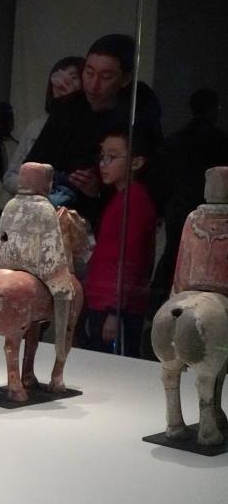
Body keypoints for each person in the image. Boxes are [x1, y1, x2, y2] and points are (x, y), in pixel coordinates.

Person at [25, 35, 162, 228]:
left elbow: (149, 184)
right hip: (54, 216)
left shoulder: (138, 116)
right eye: (88, 72)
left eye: (106, 77)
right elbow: (35, 162)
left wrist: (98, 188)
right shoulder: (68, 107)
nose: (93, 84)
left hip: (107, 221)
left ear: (125, 79)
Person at [82, 127, 158, 357]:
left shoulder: (134, 201)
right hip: (105, 301)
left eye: (112, 157)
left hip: (116, 307)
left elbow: (131, 258)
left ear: (136, 163)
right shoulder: (122, 198)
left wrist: (115, 311)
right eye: (102, 156)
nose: (103, 164)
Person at [151, 89, 228, 302]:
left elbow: (163, 175)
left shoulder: (176, 140)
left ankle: (161, 299)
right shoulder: (219, 141)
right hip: (194, 203)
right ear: (215, 109)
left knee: (175, 251)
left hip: (179, 204)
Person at [2, 56, 84, 196]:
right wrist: (32, 187)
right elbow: (10, 177)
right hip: (36, 202)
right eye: (57, 78)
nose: (62, 83)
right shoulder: (37, 126)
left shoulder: (87, 125)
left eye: (72, 77)